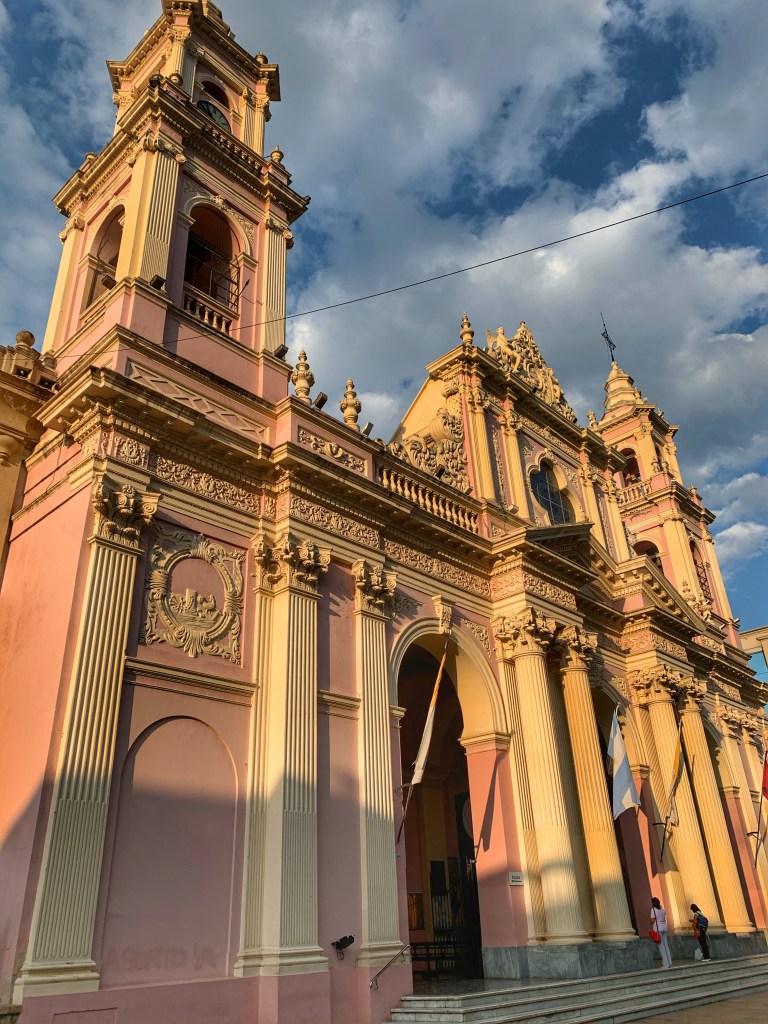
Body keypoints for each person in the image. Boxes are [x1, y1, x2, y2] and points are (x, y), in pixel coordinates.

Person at [651, 897, 672, 968]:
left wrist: (650, 921)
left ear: (653, 903)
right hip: (664, 928)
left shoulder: (653, 910)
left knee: (661, 947)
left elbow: (652, 920)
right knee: (666, 946)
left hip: (657, 929)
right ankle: (669, 962)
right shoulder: (662, 909)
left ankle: (665, 964)